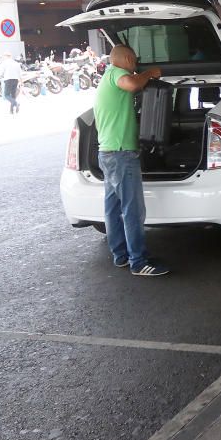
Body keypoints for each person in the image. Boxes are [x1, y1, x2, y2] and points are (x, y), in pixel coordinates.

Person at [95, 45, 169, 277]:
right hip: (121, 154)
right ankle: (139, 262)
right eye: (135, 62)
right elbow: (133, 83)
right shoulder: (117, 73)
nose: (136, 66)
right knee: (132, 209)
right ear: (126, 59)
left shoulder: (106, 77)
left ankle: (121, 256)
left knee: (113, 207)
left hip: (107, 153)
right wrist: (150, 74)